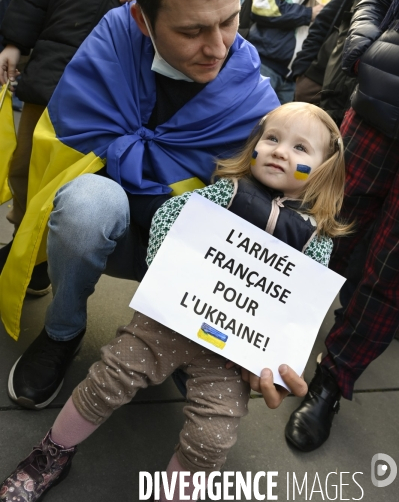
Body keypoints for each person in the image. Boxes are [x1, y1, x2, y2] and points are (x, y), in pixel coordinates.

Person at [1, 0, 282, 409]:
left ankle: (192, 347)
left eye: (230, 20)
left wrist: (266, 333)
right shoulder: (113, 37)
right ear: (141, 18)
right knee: (88, 204)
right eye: (192, 31)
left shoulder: (257, 101)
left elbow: (271, 227)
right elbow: (67, 142)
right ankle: (63, 332)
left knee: (226, 216)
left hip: (177, 245)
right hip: (107, 226)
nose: (218, 47)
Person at [0, 102, 350, 502]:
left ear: (325, 168)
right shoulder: (227, 192)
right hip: (166, 324)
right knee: (106, 380)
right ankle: (53, 451)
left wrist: (273, 356)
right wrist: (166, 279)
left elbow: (301, 307)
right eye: (271, 138)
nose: (280, 151)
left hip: (231, 357)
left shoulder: (316, 239)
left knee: (213, 438)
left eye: (301, 148)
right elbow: (171, 217)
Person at [285, 0, 399, 454]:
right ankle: (272, 331)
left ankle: (332, 381)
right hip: (381, 100)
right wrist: (363, 48)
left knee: (388, 272)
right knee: (325, 223)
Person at [0, 0, 151, 294]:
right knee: (26, 163)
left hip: (112, 82)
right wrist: (16, 39)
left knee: (71, 180)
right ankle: (22, 244)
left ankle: (41, 261)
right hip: (57, 58)